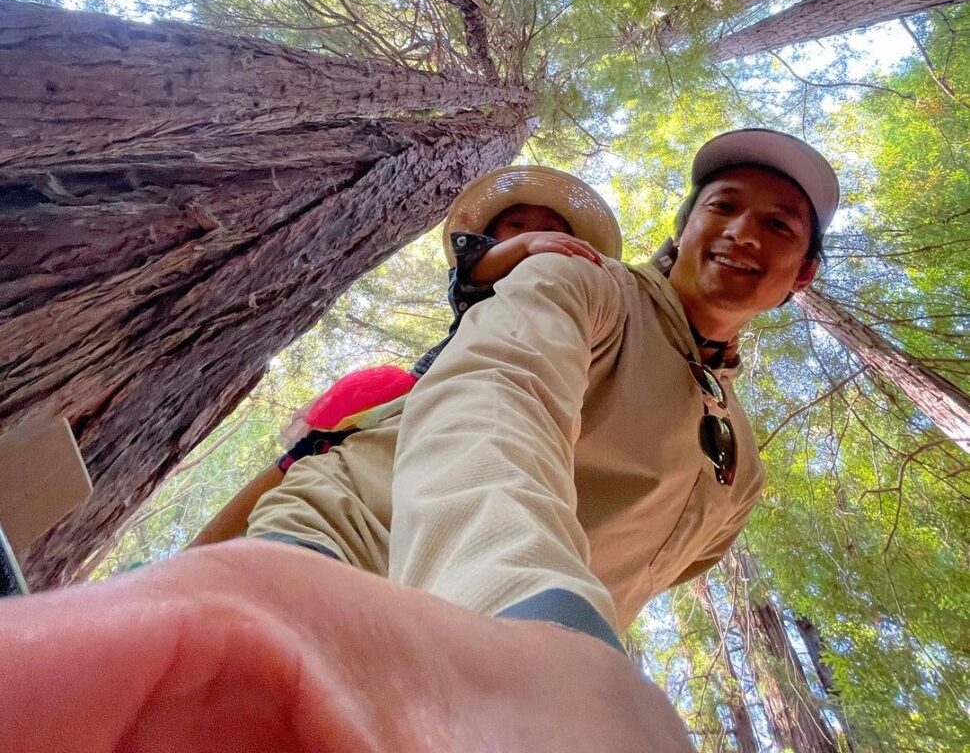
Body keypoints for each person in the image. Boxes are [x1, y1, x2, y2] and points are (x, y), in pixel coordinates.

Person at [0, 128, 838, 752]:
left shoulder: (742, 472)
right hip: (368, 532)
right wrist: (537, 615)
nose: (743, 232)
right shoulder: (587, 287)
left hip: (508, 680)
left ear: (802, 276)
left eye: (779, 225)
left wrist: (573, 673)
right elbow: (495, 398)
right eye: (722, 207)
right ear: (683, 228)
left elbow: (634, 575)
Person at [189, 165, 623, 546]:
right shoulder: (484, 279)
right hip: (428, 387)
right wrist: (528, 248)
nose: (534, 232)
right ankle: (201, 554)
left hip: (511, 404)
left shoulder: (581, 305)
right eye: (518, 224)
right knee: (308, 462)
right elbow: (476, 267)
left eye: (552, 228)